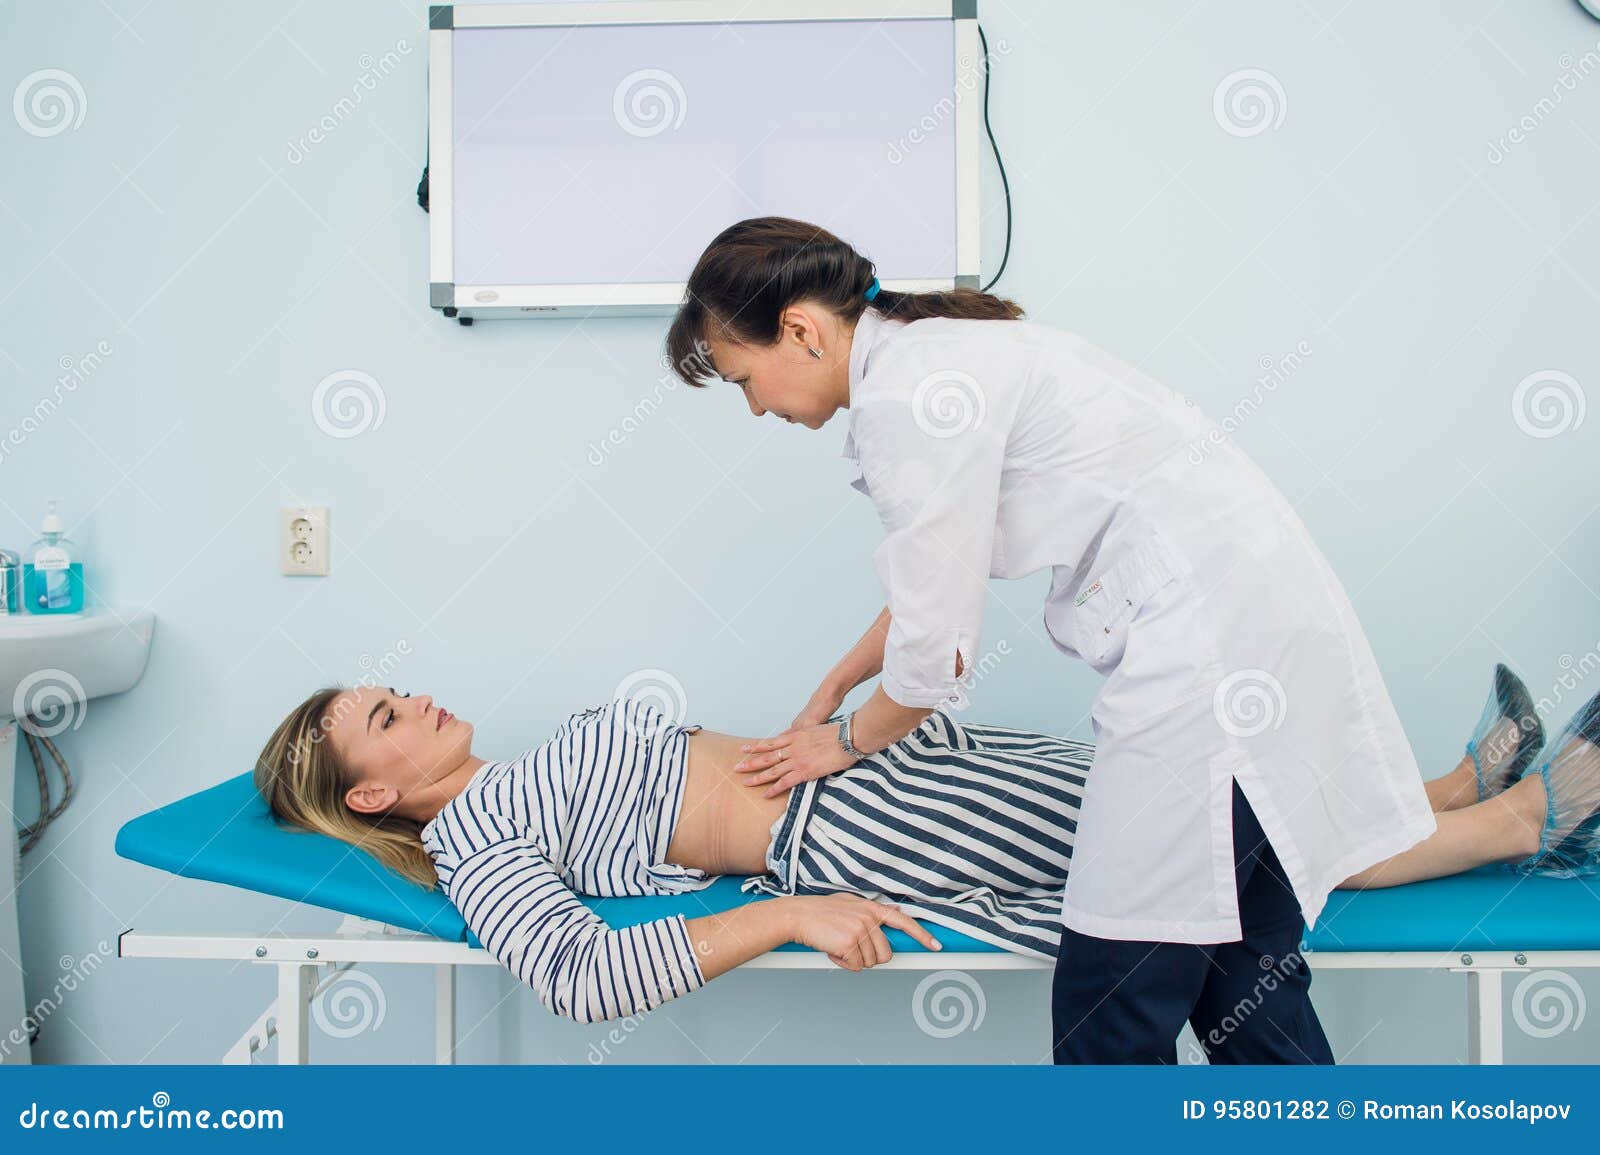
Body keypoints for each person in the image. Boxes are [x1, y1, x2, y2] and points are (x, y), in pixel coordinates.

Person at [660, 214, 1519, 1062]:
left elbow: (931, 662)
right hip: (1250, 630)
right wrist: (833, 688)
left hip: (1206, 659)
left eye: (743, 379)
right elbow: (931, 581)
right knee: (1245, 990)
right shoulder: (936, 361)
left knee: (1108, 1012)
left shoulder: (910, 401)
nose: (755, 407)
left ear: (801, 330)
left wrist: (838, 743)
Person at [251, 665, 1600, 1050]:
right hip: (853, 829)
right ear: (374, 788)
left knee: (1181, 794)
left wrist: (833, 719)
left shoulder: (514, 768)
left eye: (392, 686)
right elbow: (578, 974)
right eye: (385, 714)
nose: (411, 693)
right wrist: (788, 912)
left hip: (872, 768)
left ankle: (1442, 789)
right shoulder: (479, 833)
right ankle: (1521, 820)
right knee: (1187, 840)